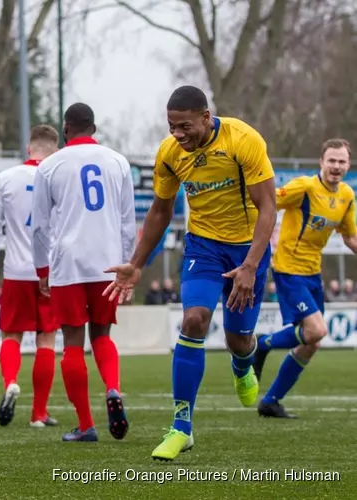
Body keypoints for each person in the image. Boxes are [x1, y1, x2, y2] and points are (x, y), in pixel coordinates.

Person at [104, 85, 277, 461]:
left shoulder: (243, 140)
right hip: (204, 246)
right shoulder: (169, 154)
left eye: (184, 127)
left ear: (205, 116)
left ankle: (243, 362)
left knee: (238, 340)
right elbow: (160, 212)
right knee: (194, 320)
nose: (178, 135)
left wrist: (249, 265)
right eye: (171, 127)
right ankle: (182, 427)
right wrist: (136, 264)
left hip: (249, 248)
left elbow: (268, 207)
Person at [31, 103, 136, 442]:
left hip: (68, 264)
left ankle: (87, 425)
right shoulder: (118, 161)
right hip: (107, 262)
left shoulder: (50, 166)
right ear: (94, 127)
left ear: (66, 127)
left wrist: (42, 269)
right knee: (102, 335)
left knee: (72, 343)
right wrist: (128, 266)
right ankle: (114, 389)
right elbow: (127, 223)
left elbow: (40, 228)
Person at [253, 138, 357, 418]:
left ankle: (271, 401)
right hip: (288, 268)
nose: (336, 166)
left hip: (313, 272)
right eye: (331, 160)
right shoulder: (304, 187)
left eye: (341, 161)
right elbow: (267, 202)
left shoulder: (346, 195)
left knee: (312, 343)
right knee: (317, 331)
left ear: (348, 165)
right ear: (321, 163)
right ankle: (262, 344)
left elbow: (349, 237)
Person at [0, 124, 60, 428]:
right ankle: (39, 413)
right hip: (52, 273)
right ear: (56, 151)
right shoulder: (59, 177)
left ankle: (11, 382)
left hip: (15, 270)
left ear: (29, 148)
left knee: (11, 335)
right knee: (47, 340)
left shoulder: (6, 177)